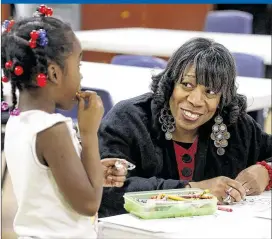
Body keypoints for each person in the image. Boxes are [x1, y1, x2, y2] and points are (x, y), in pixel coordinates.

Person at [98, 37, 272, 218]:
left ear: (223, 98)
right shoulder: (130, 119)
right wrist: (193, 190)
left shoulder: (235, 126)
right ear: (171, 83)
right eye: (187, 85)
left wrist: (266, 172)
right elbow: (105, 192)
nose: (195, 101)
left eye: (211, 92)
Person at [1, 5, 126, 238]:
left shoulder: (19, 122)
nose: (81, 75)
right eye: (78, 65)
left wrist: (91, 173)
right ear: (54, 73)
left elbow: (45, 181)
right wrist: (89, 135)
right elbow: (89, 204)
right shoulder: (52, 130)